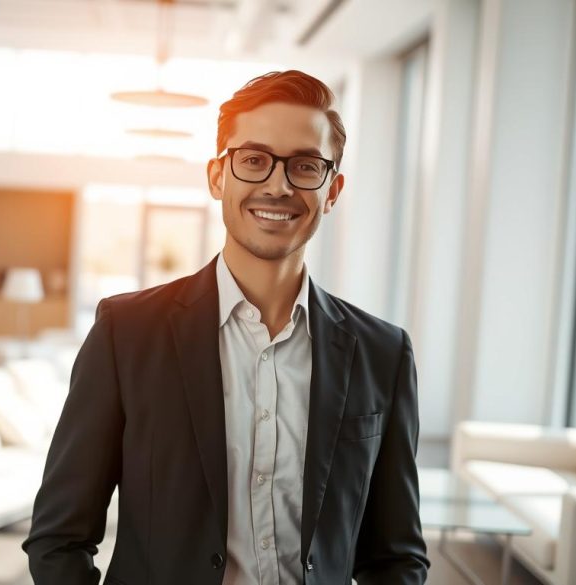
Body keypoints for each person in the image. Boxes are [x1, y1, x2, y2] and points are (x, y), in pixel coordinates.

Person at [23, 70, 429, 585]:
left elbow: (396, 557)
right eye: (254, 160)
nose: (278, 185)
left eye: (305, 165)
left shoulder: (383, 353)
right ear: (217, 176)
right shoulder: (125, 333)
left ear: (333, 190)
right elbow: (59, 539)